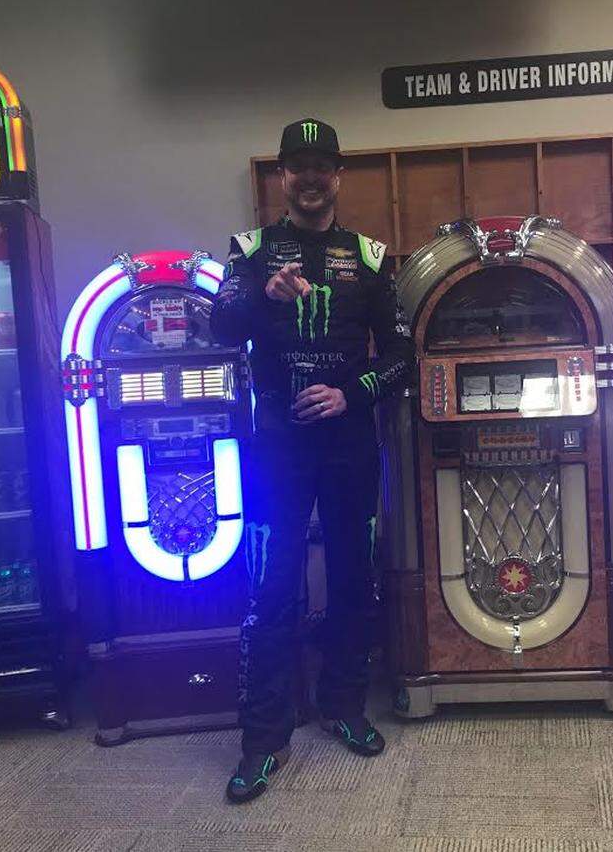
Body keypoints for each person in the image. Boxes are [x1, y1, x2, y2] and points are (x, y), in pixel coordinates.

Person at [210, 118, 414, 804]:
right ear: (282, 177)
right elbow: (220, 326)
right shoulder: (249, 252)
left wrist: (351, 391)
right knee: (271, 589)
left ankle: (344, 706)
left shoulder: (371, 256)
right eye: (297, 167)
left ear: (338, 177)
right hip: (277, 448)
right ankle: (264, 739)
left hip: (349, 444)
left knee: (355, 579)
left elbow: (402, 356)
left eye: (321, 166)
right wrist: (261, 298)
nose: (310, 178)